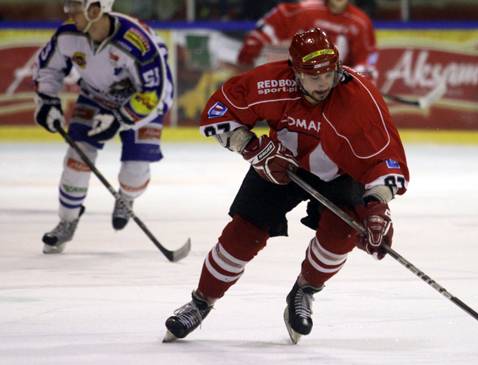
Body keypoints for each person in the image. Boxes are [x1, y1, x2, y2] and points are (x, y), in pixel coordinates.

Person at [163, 27, 409, 344]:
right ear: (294, 72)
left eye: (328, 73)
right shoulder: (271, 81)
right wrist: (250, 147)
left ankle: (304, 290)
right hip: (280, 164)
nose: (323, 83)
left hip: (341, 173)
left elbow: (387, 161)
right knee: (242, 235)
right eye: (312, 75)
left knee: (341, 236)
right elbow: (218, 112)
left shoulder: (360, 99)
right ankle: (200, 302)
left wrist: (376, 205)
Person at [33, 0, 174, 254]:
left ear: (96, 9)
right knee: (77, 158)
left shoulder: (137, 42)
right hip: (95, 96)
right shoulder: (68, 35)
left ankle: (127, 197)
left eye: (76, 6)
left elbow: (155, 92)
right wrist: (47, 101)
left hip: (143, 102)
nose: (69, 12)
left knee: (134, 172)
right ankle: (67, 221)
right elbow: (48, 68)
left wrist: (121, 118)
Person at [237, 0, 378, 80]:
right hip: (299, 79)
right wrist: (254, 43)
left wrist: (358, 76)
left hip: (334, 85)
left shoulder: (361, 22)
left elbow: (367, 57)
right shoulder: (306, 10)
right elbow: (274, 22)